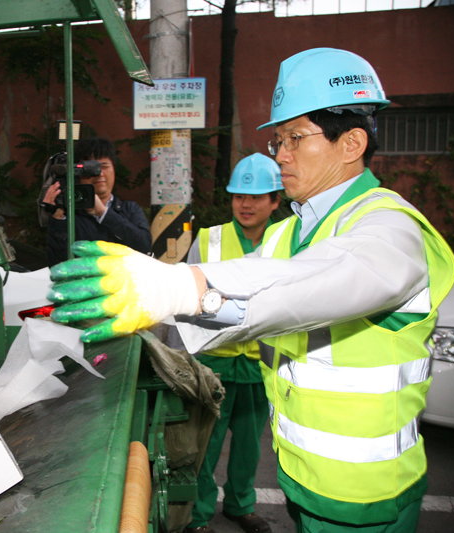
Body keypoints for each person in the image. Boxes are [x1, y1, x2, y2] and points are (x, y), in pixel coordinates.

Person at [47, 48, 454, 533]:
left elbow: (319, 283)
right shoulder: (291, 233)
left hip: (368, 498)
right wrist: (146, 321)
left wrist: (176, 287)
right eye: (277, 140)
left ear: (350, 143)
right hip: (303, 482)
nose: (279, 154)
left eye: (294, 139)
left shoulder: (390, 226)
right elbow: (244, 298)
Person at [178, 153, 283, 533]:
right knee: (204, 446)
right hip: (214, 364)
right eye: (239, 196)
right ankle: (200, 514)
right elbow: (188, 302)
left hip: (260, 363)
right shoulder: (208, 239)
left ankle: (241, 505)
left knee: (249, 447)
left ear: (275, 200)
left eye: (256, 197)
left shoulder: (287, 240)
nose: (246, 204)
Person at [43, 137, 151, 267]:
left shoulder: (129, 209)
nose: (99, 173)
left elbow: (144, 246)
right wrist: (57, 219)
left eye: (104, 166)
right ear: (77, 173)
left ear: (114, 170)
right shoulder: (70, 214)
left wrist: (103, 214)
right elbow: (57, 264)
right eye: (90, 168)